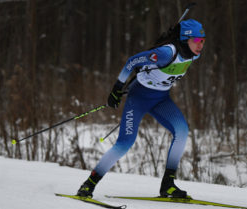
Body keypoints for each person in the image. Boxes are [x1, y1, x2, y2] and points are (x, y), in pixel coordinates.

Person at [76, 19, 205, 198]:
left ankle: (168, 185)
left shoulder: (193, 54)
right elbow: (131, 62)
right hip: (138, 99)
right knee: (124, 144)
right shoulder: (166, 53)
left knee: (182, 131)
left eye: (203, 40)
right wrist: (117, 87)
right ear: (185, 39)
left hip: (161, 99)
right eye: (197, 40)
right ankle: (89, 184)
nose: (201, 45)